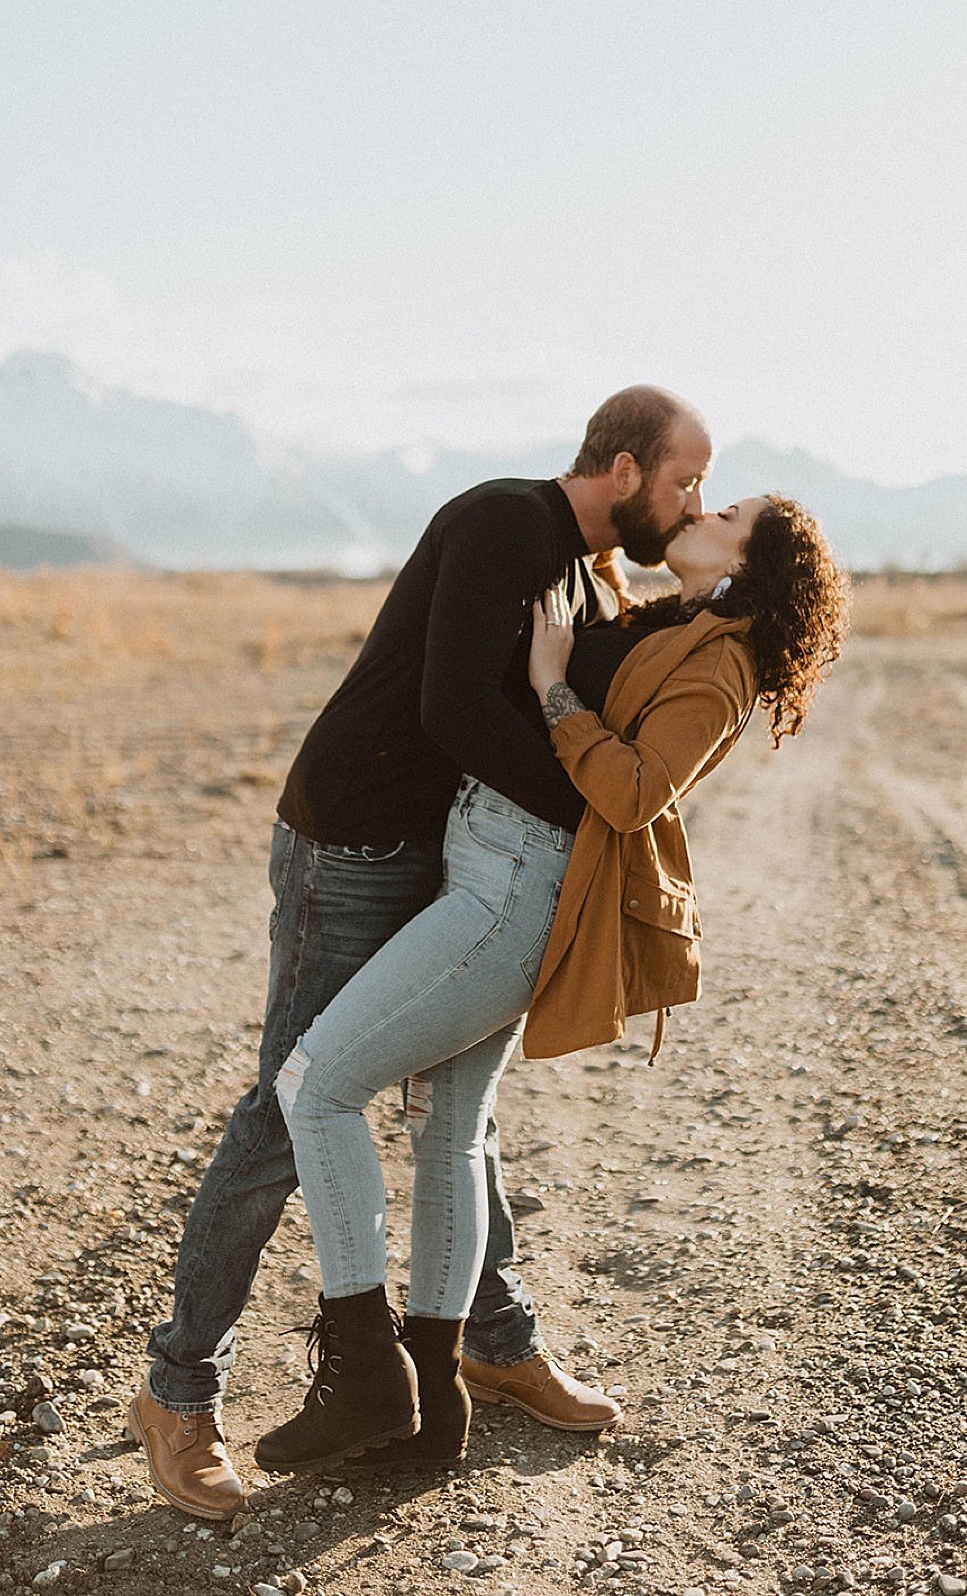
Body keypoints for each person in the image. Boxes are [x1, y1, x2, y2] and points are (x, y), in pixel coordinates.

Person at [129, 386, 713, 1519]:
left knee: (458, 1114)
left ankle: (490, 1343)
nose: (691, 500)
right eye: (685, 479)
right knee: (288, 1109)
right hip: (349, 844)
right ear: (627, 465)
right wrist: (589, 820)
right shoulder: (507, 521)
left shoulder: (589, 577)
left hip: (440, 862)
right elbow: (453, 708)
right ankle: (178, 1394)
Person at [254, 493, 847, 1474]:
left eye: (726, 512)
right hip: (484, 858)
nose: (704, 507)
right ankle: (432, 1411)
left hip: (514, 890)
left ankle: (367, 1378)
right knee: (449, 1128)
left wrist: (551, 687)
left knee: (314, 1089)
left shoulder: (726, 667)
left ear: (753, 563)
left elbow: (633, 789)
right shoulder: (668, 617)